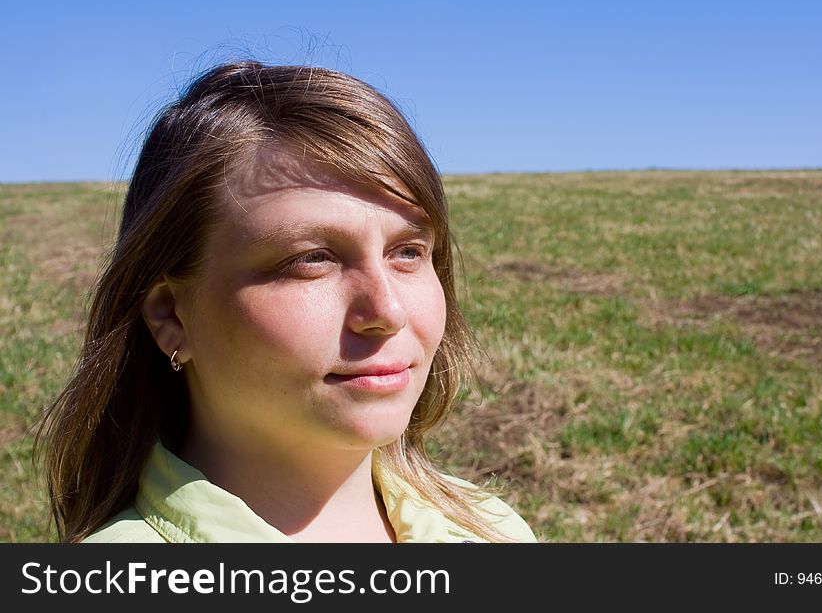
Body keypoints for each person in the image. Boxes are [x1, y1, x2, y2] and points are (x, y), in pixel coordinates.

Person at [36, 60, 537, 543]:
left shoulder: (491, 531)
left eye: (407, 252)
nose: (387, 312)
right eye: (311, 259)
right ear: (171, 314)